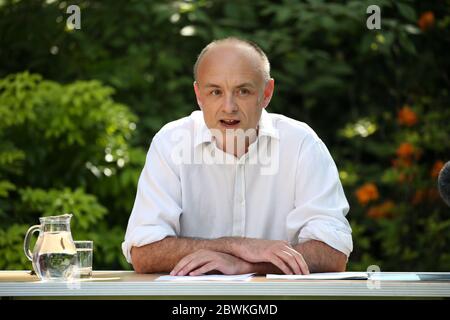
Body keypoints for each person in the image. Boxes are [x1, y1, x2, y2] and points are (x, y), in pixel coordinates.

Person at [122, 37, 353, 276]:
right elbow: (144, 252)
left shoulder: (302, 144)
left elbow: (333, 252)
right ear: (198, 95)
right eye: (215, 92)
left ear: (266, 93)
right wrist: (238, 245)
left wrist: (248, 265)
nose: (228, 107)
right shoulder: (170, 142)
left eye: (243, 91)